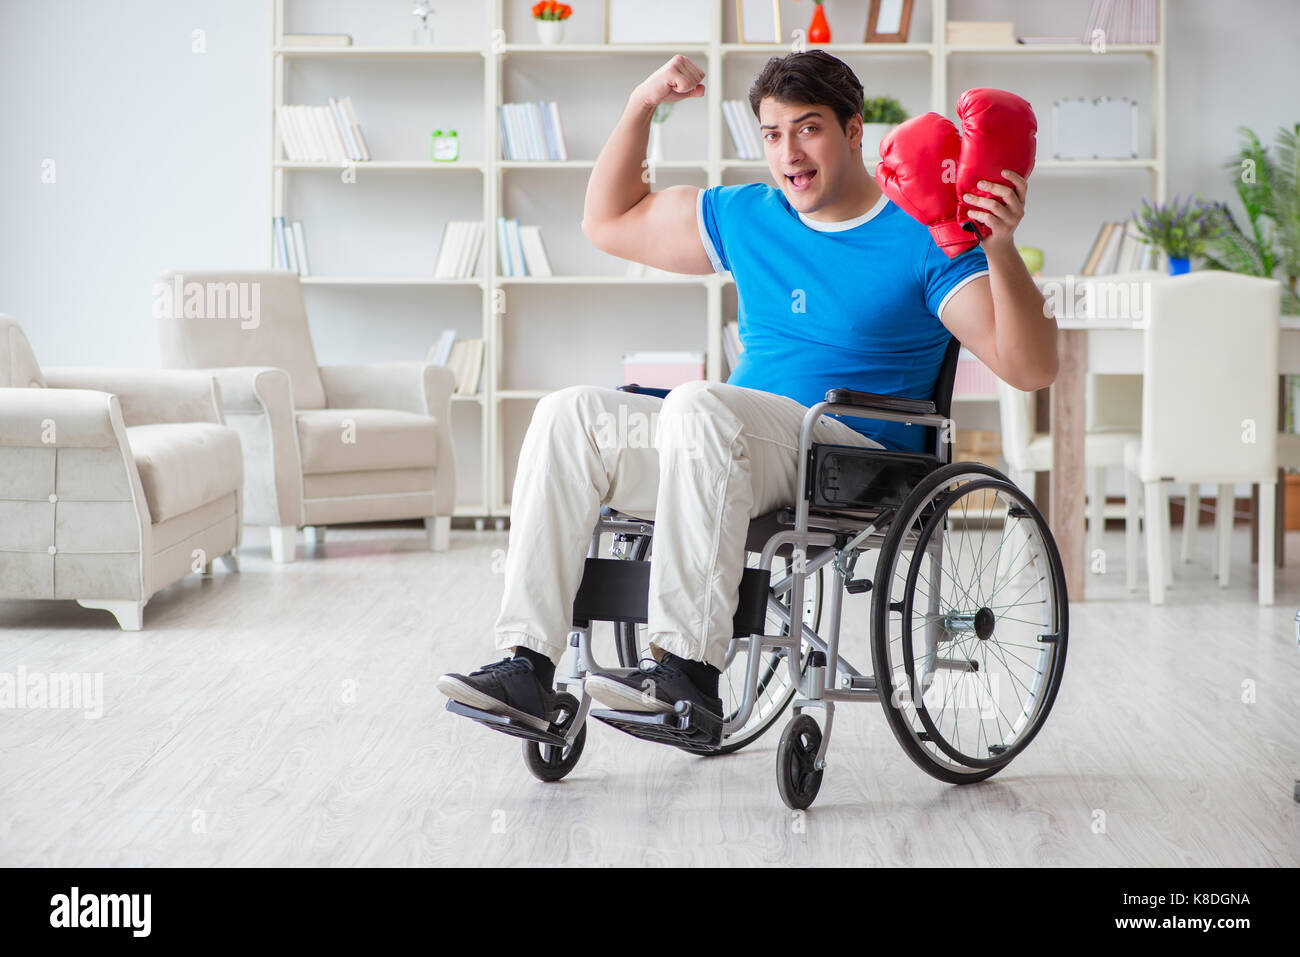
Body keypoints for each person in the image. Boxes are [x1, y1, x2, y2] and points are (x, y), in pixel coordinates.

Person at [438, 50, 1057, 739]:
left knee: (701, 404)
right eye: (771, 133)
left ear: (855, 132)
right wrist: (644, 102)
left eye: (808, 128)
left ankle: (687, 675)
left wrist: (998, 245)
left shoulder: (922, 235)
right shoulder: (747, 214)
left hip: (847, 454)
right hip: (724, 444)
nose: (788, 151)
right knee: (569, 413)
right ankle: (525, 663)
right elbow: (607, 222)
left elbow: (1029, 368)